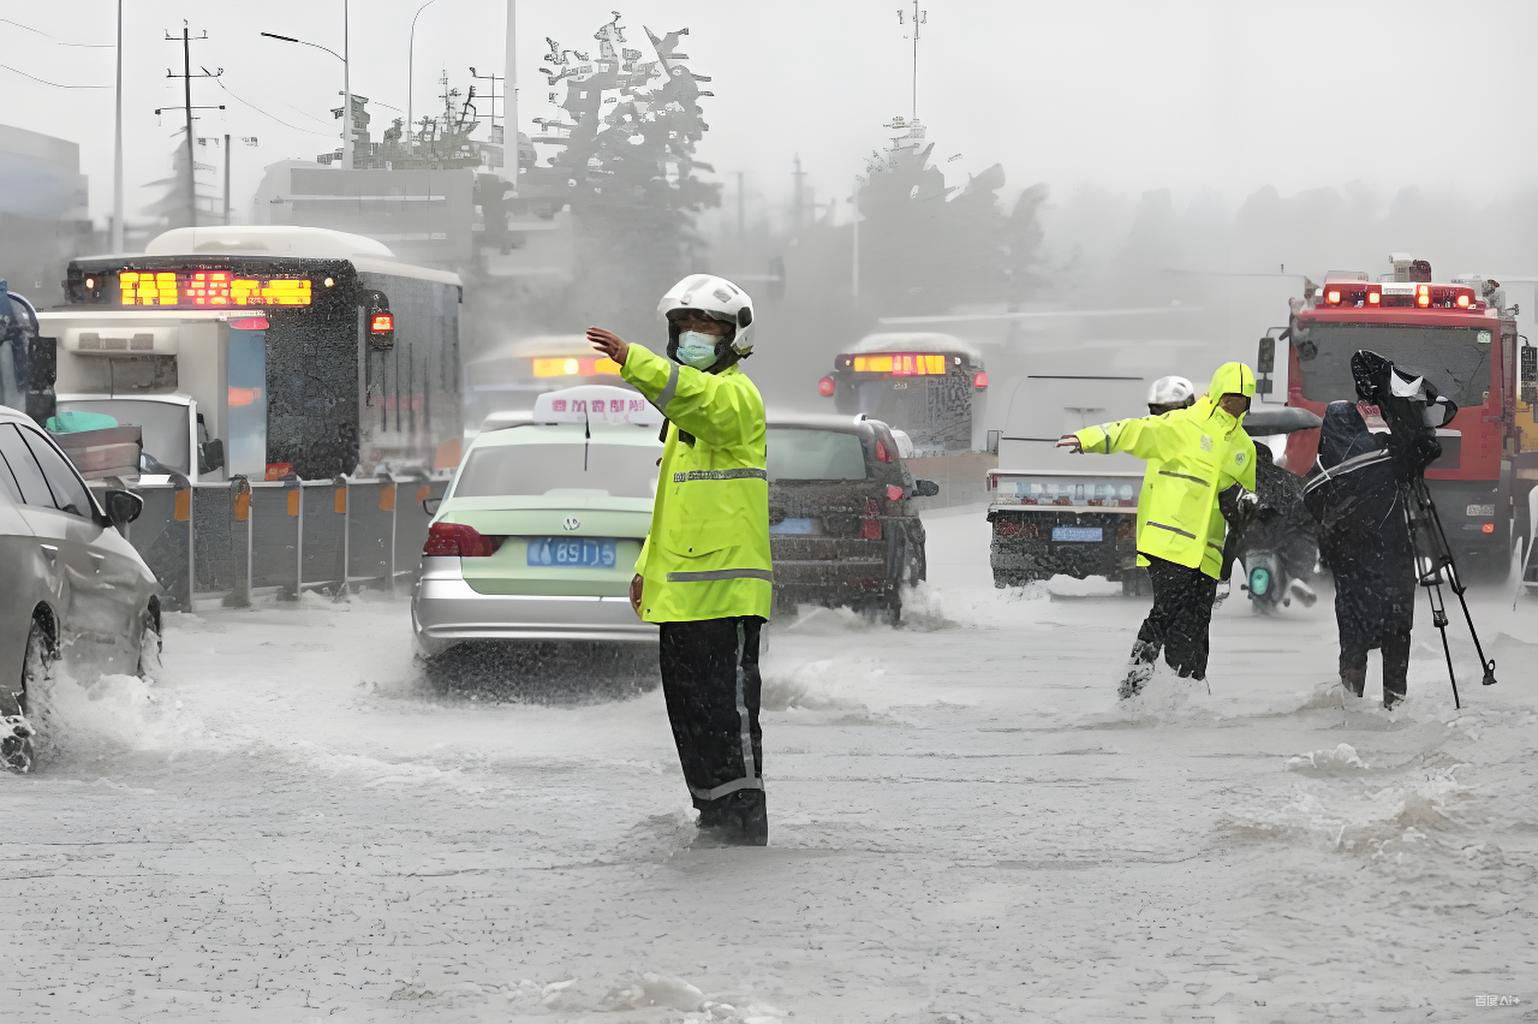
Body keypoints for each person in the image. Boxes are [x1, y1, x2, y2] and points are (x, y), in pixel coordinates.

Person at [586, 274, 772, 846]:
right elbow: (675, 509)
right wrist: (647, 569)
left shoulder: (735, 397)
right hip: (683, 598)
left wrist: (630, 360)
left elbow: (698, 397)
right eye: (684, 326)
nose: (694, 336)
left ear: (733, 338)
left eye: (707, 327)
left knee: (729, 721)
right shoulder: (683, 427)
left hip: (726, 597)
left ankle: (743, 826)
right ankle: (712, 818)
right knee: (692, 721)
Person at [1058, 363, 1258, 697]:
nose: (1234, 406)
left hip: (1206, 554)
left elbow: (1242, 508)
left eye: (1242, 401)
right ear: (1217, 394)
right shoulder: (1184, 425)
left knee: (1196, 623)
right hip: (1169, 542)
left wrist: (1244, 513)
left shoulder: (1244, 448)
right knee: (1167, 611)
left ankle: (1186, 692)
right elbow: (1135, 431)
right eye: (1229, 399)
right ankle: (1134, 684)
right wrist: (1089, 438)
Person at [1302, 400, 1429, 707]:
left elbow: (1312, 512)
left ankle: (1351, 704)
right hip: (1394, 570)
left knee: (1353, 644)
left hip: (1353, 575)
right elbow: (1425, 451)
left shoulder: (1321, 473)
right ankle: (1394, 704)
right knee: (1397, 639)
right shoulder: (1388, 459)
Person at [1221, 440, 1318, 606]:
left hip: (1247, 539)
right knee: (1302, 547)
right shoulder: (1283, 478)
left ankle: (1222, 581)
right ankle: (1297, 578)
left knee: (1232, 545)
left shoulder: (1235, 479)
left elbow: (1226, 507)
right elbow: (1302, 509)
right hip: (1279, 538)